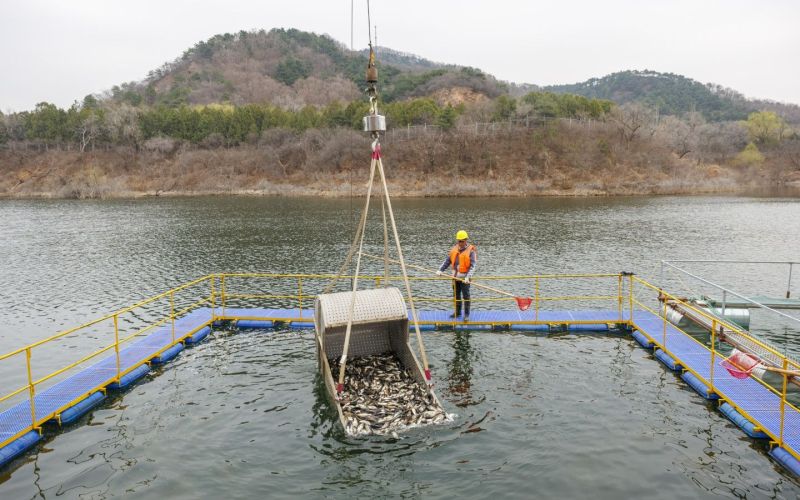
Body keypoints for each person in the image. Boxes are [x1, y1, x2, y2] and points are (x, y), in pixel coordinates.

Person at [437, 230, 476, 321]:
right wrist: (440, 270)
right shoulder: (454, 249)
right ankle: (457, 312)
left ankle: (466, 314)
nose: (460, 243)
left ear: (466, 240)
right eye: (459, 241)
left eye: (462, 241)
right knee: (456, 296)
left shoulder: (471, 251)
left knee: (466, 296)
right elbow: (447, 261)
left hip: (465, 279)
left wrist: (468, 277)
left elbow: (473, 266)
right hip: (454, 278)